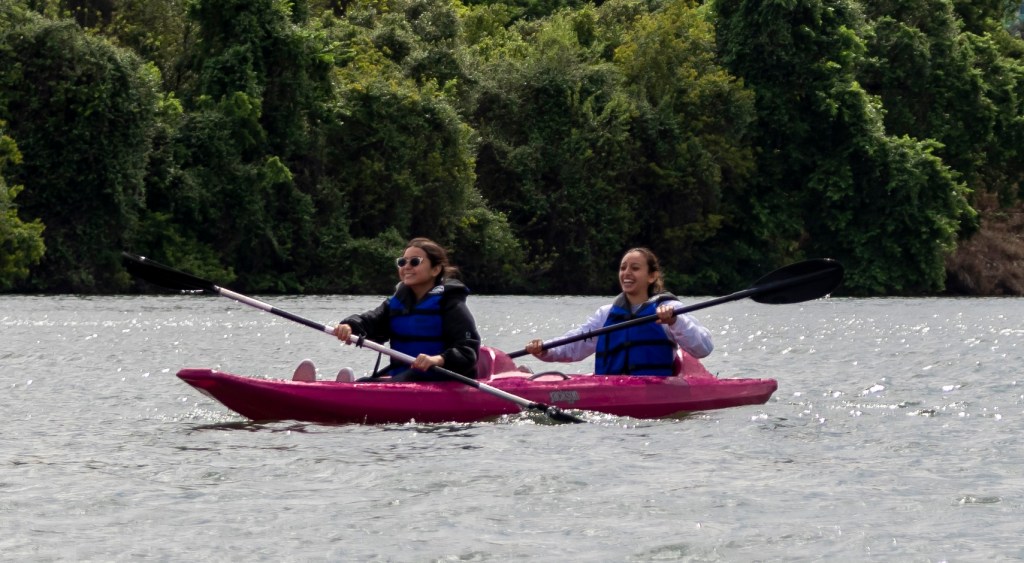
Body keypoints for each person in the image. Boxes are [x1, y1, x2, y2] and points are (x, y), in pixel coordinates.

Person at [524, 247, 712, 376]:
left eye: (635, 268)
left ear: (652, 276)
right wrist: (544, 349)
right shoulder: (606, 314)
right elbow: (575, 344)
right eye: (623, 268)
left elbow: (703, 348)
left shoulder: (670, 310)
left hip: (654, 388)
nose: (626, 273)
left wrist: (674, 321)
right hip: (610, 387)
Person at [331, 237, 481, 382]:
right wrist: (349, 326)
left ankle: (350, 393)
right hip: (404, 377)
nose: (406, 266)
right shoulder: (396, 303)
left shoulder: (450, 304)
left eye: (415, 262)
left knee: (408, 377)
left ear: (435, 269)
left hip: (441, 378)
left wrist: (437, 359)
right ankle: (344, 388)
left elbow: (468, 351)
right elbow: (371, 321)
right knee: (368, 381)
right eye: (402, 262)